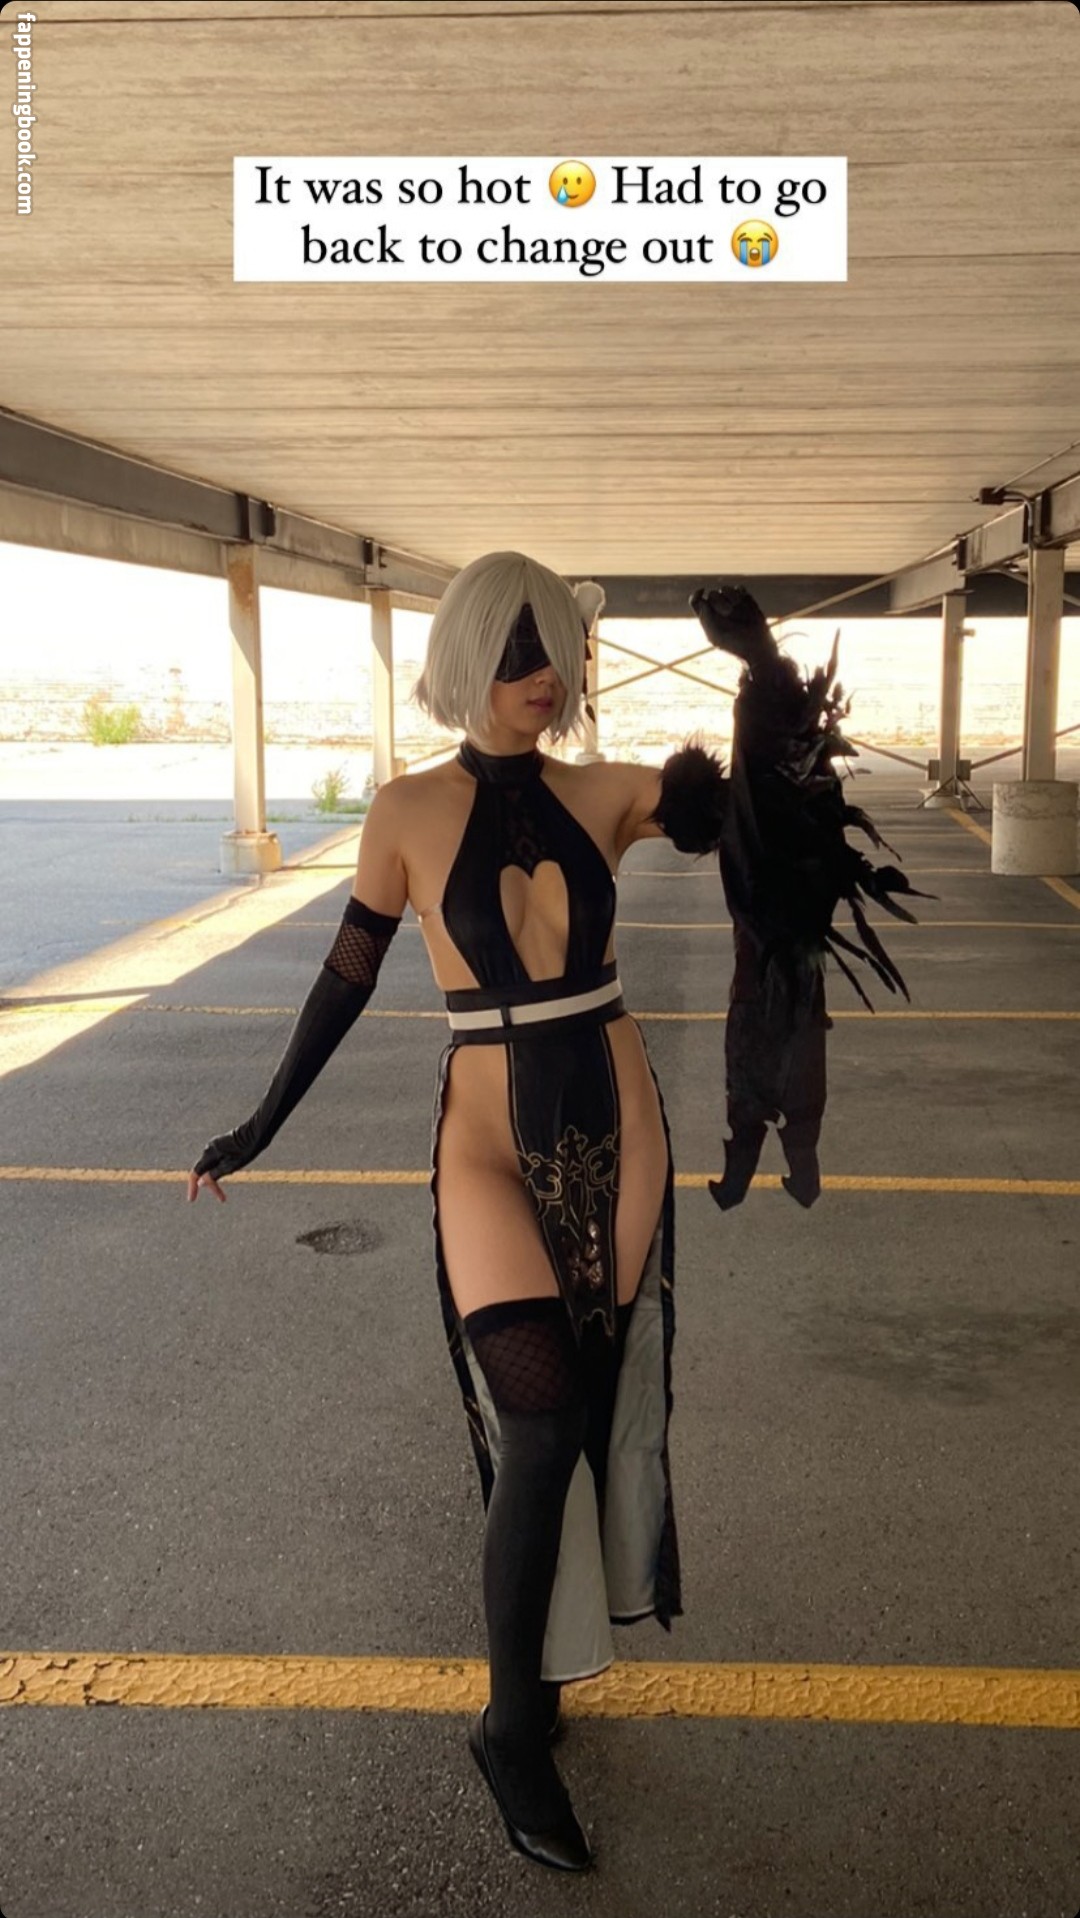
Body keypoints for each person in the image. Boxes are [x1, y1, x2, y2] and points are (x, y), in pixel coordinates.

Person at [186, 551, 916, 1874]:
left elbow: (775, 815)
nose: (543, 673)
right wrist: (259, 1122)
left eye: (555, 649)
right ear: (469, 653)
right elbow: (344, 979)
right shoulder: (404, 811)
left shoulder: (608, 792)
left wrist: (762, 671)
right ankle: (511, 1724)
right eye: (516, 648)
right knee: (535, 1421)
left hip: (619, 1129)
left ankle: (552, 1665)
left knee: (585, 1411)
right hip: (482, 1143)